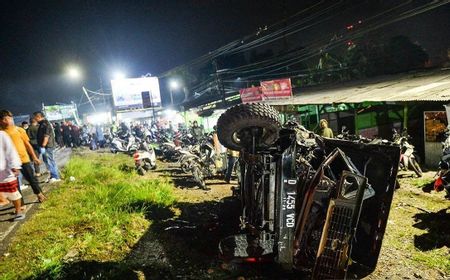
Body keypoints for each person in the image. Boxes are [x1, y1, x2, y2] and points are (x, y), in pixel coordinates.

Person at [0, 110, 46, 202]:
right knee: (15, 184)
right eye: (5, 119)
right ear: (0, 121)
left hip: (23, 159)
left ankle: (39, 194)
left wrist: (34, 157)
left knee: (31, 179)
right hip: (9, 164)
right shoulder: (1, 133)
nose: (8, 121)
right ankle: (20, 205)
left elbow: (27, 144)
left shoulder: (19, 130)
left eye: (9, 118)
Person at [0, 130, 25, 220]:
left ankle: (18, 211)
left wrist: (15, 165)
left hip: (4, 169)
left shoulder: (2, 135)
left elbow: (11, 151)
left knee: (12, 191)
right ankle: (3, 200)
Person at [33, 111, 61, 183]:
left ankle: (55, 176)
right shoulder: (42, 124)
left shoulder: (45, 124)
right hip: (45, 146)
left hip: (47, 146)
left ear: (39, 117)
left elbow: (46, 135)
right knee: (47, 161)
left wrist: (43, 145)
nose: (34, 119)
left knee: (50, 161)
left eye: (35, 117)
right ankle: (52, 176)